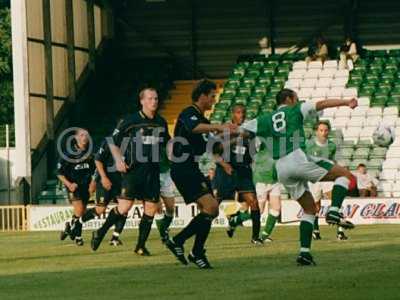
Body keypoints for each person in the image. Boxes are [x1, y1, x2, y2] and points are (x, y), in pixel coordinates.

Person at [241, 88, 357, 266]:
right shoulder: (295, 109)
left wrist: (218, 135)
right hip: (297, 158)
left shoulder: (262, 120)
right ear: (289, 99)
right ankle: (334, 210)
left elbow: (240, 132)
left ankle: (304, 253)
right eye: (296, 98)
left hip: (281, 168)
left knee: (310, 209)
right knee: (345, 175)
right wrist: (345, 102)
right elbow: (321, 103)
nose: (298, 100)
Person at [165, 79, 237, 269]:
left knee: (210, 210)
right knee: (211, 207)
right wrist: (219, 126)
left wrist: (237, 136)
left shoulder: (204, 121)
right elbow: (193, 128)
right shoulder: (189, 113)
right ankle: (188, 247)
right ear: (202, 95)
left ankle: (188, 247)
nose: (214, 99)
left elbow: (215, 147)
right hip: (182, 168)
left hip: (192, 169)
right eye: (212, 96)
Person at [91, 88, 170, 256]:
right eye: (150, 98)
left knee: (150, 209)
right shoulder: (130, 120)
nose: (154, 101)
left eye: (156, 98)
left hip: (152, 172)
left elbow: (167, 143)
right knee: (125, 207)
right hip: (134, 171)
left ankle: (140, 246)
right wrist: (119, 159)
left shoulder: (161, 122)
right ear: (142, 101)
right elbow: (112, 140)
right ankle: (100, 231)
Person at [213, 104, 263, 244]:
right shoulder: (225, 130)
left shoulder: (250, 133)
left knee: (253, 202)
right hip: (226, 171)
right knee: (214, 205)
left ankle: (255, 237)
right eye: (239, 112)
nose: (242, 115)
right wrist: (224, 164)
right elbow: (215, 153)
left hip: (243, 172)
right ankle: (199, 231)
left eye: (244, 112)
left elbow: (253, 154)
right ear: (232, 115)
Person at [306, 121, 348, 241]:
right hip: (313, 179)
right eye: (321, 130)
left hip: (327, 177)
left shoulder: (332, 145)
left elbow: (334, 161)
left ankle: (340, 232)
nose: (324, 133)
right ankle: (315, 231)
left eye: (326, 130)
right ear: (316, 131)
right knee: (315, 206)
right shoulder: (308, 144)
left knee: (335, 202)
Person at [58, 128, 96, 246]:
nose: (84, 137)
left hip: (86, 187)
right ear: (75, 138)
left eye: (86, 135)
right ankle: (78, 237)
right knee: (79, 211)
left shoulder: (90, 154)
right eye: (81, 135)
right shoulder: (69, 154)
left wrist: (93, 183)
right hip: (74, 187)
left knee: (81, 213)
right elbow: (59, 172)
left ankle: (69, 229)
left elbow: (95, 170)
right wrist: (69, 184)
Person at [93, 138, 126, 246]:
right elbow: (98, 160)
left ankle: (114, 237)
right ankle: (77, 223)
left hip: (121, 181)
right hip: (107, 180)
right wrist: (103, 177)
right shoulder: (109, 141)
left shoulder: (133, 142)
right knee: (100, 209)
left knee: (124, 208)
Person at [253, 147, 282, 242]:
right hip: (262, 180)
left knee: (276, 208)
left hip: (274, 181)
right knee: (259, 210)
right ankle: (236, 219)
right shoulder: (262, 145)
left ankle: (264, 236)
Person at [154, 147, 176, 243]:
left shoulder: (166, 138)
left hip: (166, 174)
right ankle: (164, 236)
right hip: (152, 175)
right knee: (158, 209)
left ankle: (164, 229)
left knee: (170, 209)